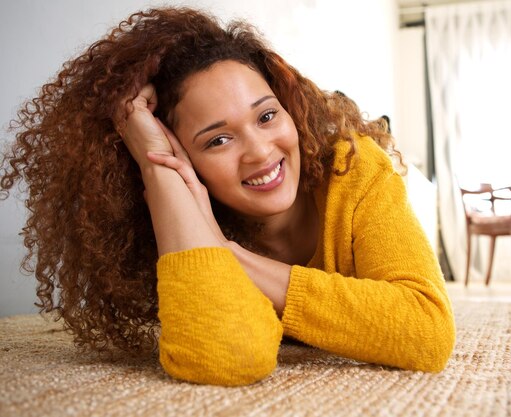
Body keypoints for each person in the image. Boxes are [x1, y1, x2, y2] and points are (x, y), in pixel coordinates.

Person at [0, 7, 455, 386]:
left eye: (266, 116)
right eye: (217, 140)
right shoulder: (180, 219)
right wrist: (159, 170)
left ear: (289, 106)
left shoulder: (353, 168)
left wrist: (227, 254)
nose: (260, 152)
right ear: (185, 156)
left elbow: (427, 329)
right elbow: (231, 355)